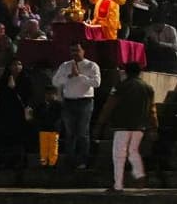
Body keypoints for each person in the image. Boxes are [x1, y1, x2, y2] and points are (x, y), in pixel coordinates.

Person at [97, 61, 156, 192]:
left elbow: (109, 105)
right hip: (140, 126)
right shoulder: (148, 88)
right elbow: (152, 109)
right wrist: (153, 126)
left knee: (118, 155)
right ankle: (139, 174)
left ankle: (118, 185)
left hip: (122, 125)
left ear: (126, 72)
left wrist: (100, 123)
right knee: (133, 151)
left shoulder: (121, 86)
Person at [51, 42, 102, 172]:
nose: (75, 53)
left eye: (77, 50)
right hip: (69, 102)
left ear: (83, 51)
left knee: (82, 133)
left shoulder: (91, 65)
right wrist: (69, 76)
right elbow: (55, 81)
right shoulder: (65, 65)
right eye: (72, 50)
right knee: (70, 133)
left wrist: (80, 76)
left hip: (85, 102)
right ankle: (70, 161)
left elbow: (96, 83)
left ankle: (83, 161)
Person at [0, 57, 33, 177]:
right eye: (14, 64)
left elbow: (28, 95)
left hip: (18, 114)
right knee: (5, 138)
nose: (17, 67)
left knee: (18, 139)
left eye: (19, 64)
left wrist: (14, 88)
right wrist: (7, 87)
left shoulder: (25, 79)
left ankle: (19, 161)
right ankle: (5, 161)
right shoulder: (5, 78)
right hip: (5, 114)